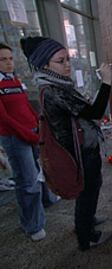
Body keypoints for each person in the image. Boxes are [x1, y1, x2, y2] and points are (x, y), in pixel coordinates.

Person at [20, 36, 112, 251]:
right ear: (45, 64)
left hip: (80, 149)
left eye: (67, 60)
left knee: (91, 190)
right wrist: (107, 81)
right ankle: (86, 236)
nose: (67, 65)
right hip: (78, 154)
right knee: (87, 193)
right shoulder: (53, 90)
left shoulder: (58, 84)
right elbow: (95, 112)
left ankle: (87, 221)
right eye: (60, 61)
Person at [0, 42, 46, 241]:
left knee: (41, 172)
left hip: (31, 132)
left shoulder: (14, 80)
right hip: (15, 138)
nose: (9, 63)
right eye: (3, 59)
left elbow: (26, 105)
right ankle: (32, 225)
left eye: (10, 58)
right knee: (27, 182)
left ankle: (48, 200)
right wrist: (29, 135)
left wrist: (38, 123)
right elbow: (5, 119)